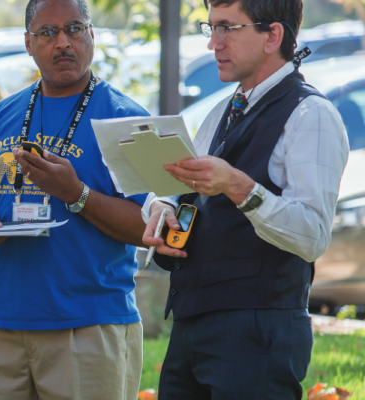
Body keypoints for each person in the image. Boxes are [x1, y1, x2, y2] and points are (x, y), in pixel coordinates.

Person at [141, 0, 349, 398]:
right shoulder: (222, 109)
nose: (213, 44)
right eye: (211, 29)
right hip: (190, 323)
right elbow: (182, 188)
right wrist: (162, 204)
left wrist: (240, 187)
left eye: (227, 29)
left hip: (258, 333)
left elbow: (313, 236)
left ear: (273, 35)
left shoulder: (312, 114)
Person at [0, 0, 151, 398]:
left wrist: (77, 194)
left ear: (91, 35)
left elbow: (148, 227)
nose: (63, 43)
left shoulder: (127, 120)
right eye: (47, 33)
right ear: (28, 42)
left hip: (87, 323)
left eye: (74, 29)